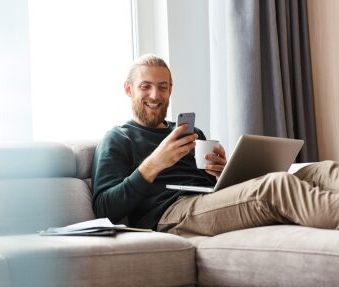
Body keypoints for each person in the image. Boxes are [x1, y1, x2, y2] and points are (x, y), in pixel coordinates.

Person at [91, 54, 339, 237]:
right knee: (277, 185)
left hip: (210, 200)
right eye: (145, 87)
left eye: (162, 87)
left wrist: (223, 172)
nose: (155, 95)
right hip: (171, 213)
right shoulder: (118, 138)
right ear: (128, 90)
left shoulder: (190, 133)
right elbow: (105, 208)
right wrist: (152, 165)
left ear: (170, 90)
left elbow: (215, 190)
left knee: (322, 170)